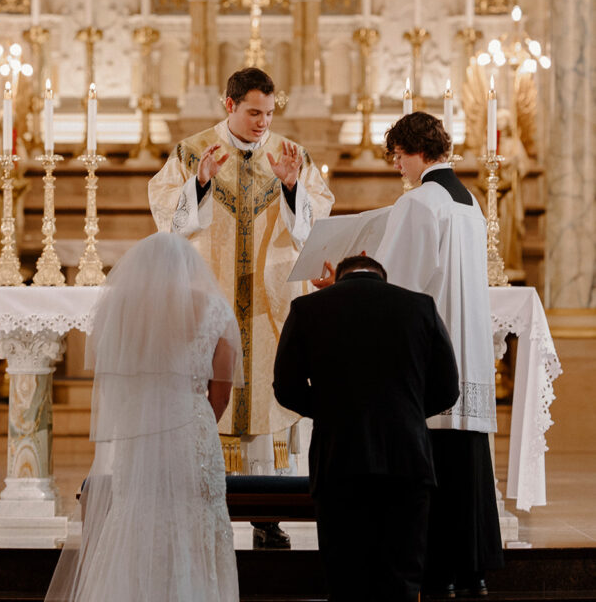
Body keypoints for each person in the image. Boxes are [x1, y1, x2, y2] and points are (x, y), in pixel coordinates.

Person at [148, 66, 334, 548]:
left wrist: (293, 188)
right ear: (228, 105)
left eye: (270, 113)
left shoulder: (291, 155)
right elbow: (168, 218)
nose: (263, 123)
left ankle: (266, 512)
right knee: (207, 399)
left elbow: (315, 227)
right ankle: (205, 503)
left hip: (271, 302)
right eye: (254, 112)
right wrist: (201, 185)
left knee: (270, 394)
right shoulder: (193, 153)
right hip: (211, 296)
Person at [45, 233, 243, 602]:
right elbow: (221, 394)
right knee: (196, 524)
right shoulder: (216, 311)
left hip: (139, 436)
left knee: (137, 521)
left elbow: (114, 386)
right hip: (193, 436)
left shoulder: (119, 313)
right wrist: (190, 417)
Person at [273, 254, 460, 602]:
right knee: (401, 579)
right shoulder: (420, 307)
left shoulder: (307, 309)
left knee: (345, 579)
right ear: (382, 278)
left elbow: (285, 387)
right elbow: (448, 387)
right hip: (406, 461)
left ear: (341, 277)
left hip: (338, 461)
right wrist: (407, 412)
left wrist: (332, 410)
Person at [376, 111, 504, 598]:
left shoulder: (419, 203)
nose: (397, 168)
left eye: (396, 156)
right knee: (466, 464)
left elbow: (398, 281)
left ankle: (436, 571)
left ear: (412, 151)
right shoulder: (469, 200)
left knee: (432, 468)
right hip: (466, 349)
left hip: (431, 350)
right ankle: (473, 568)